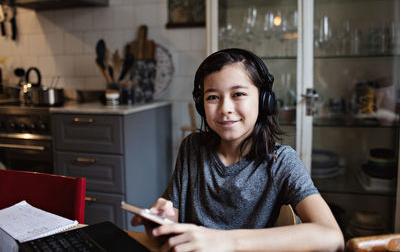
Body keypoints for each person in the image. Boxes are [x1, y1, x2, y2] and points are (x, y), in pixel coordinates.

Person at [132, 48, 344, 252]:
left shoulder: (281, 161)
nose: (225, 108)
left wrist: (223, 241)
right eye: (212, 97)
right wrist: (161, 223)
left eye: (238, 94)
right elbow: (173, 218)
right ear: (201, 105)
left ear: (264, 101)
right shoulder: (192, 147)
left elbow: (332, 237)